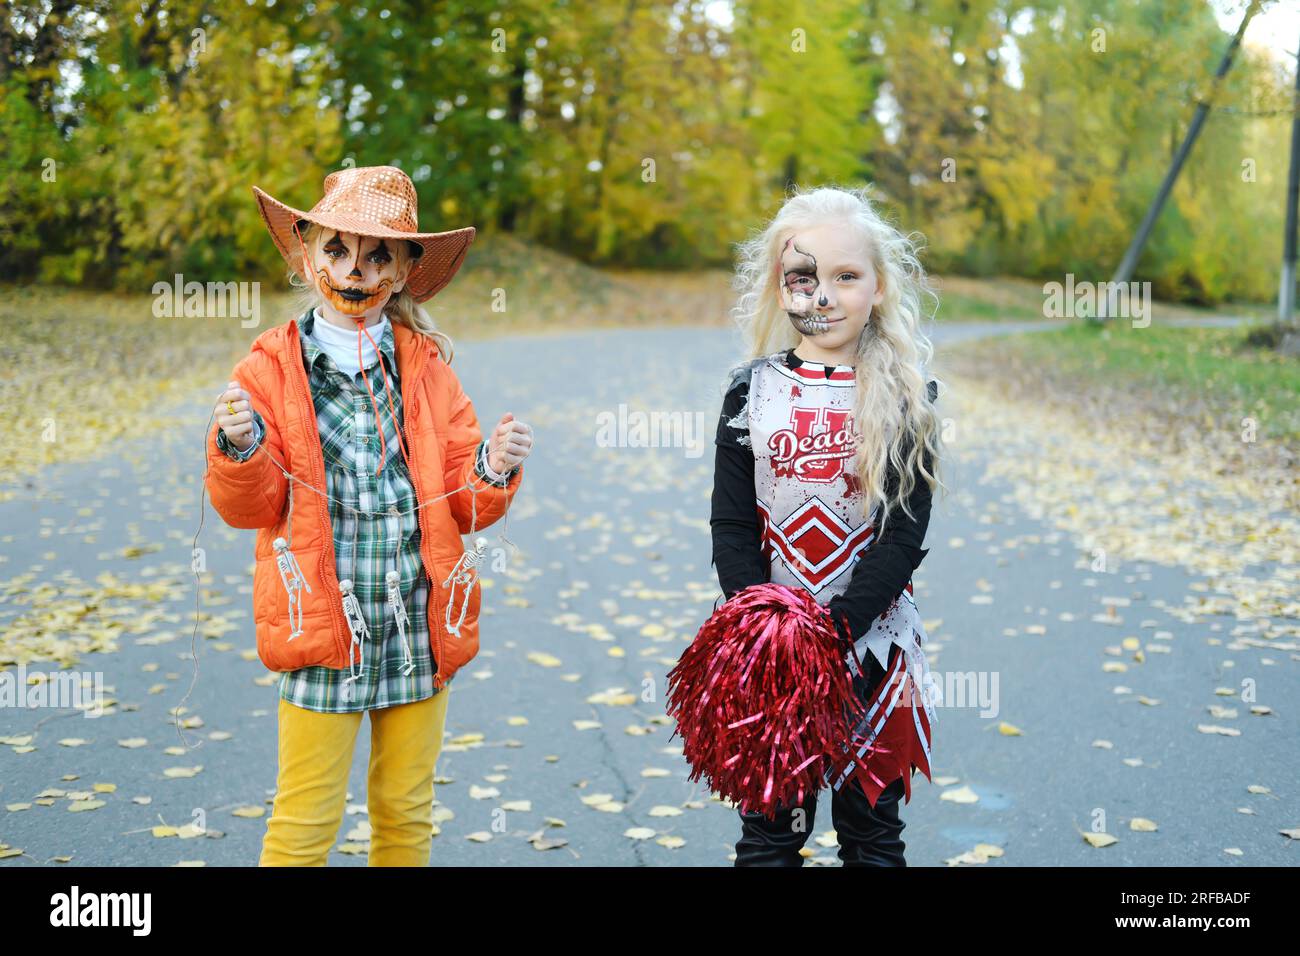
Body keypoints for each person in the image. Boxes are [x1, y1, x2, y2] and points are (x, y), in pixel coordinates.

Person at [205, 165, 532, 865]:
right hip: (321, 625)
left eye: (378, 254)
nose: (354, 271)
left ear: (408, 268)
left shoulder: (428, 370)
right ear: (305, 252)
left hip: (417, 624)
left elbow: (463, 503)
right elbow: (250, 506)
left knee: (404, 813)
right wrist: (241, 446)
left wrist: (494, 467)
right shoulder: (268, 369)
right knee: (303, 821)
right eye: (337, 251)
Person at [710, 184, 946, 866]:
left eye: (847, 276)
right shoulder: (748, 391)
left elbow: (903, 534)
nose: (825, 296)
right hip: (770, 650)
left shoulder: (909, 399)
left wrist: (837, 632)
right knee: (769, 836)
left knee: (871, 835)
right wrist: (765, 625)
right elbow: (731, 525)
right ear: (779, 289)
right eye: (803, 278)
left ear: (878, 287)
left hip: (872, 648)